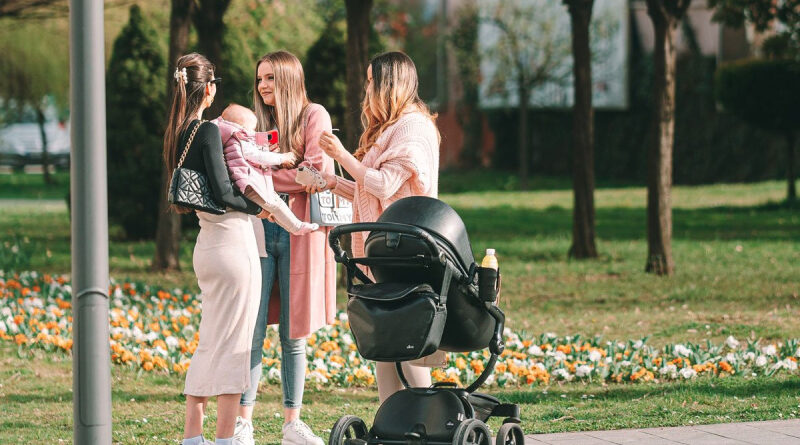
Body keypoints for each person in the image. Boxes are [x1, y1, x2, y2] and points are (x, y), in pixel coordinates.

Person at [312, 51, 443, 403]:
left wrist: (341, 156)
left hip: (406, 250)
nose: (366, 87)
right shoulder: (391, 128)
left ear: (389, 83)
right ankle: (391, 423)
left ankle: (427, 415)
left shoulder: (412, 127)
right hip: (388, 250)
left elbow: (384, 185)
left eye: (371, 80)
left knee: (406, 338)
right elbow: (365, 187)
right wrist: (329, 182)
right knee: (386, 340)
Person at [234, 50, 337, 445]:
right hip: (260, 231)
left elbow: (316, 174)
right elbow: (243, 167)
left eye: (271, 78)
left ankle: (292, 423)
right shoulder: (257, 121)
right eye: (260, 79)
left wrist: (266, 178)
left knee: (294, 334)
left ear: (289, 78)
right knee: (253, 327)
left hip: (300, 234)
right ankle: (244, 422)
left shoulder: (315, 116)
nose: (262, 86)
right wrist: (283, 172)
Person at [163, 53, 264, 445]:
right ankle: (224, 439)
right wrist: (260, 208)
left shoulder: (176, 132)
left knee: (210, 340)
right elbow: (224, 193)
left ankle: (193, 436)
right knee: (236, 345)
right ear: (209, 90)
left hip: (206, 246)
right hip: (232, 245)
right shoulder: (206, 131)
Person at [213, 104, 318, 235]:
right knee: (275, 204)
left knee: (273, 205)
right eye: (251, 129)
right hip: (248, 182)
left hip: (244, 181)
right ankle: (296, 227)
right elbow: (256, 156)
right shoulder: (239, 139)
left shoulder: (227, 136)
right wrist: (281, 158)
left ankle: (294, 226)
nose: (253, 132)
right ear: (239, 127)